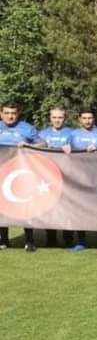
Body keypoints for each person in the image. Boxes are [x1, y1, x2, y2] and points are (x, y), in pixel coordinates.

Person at [64, 109, 97, 251]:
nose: (87, 121)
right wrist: (65, 150)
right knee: (80, 209)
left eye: (90, 118)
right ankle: (81, 241)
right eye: (84, 118)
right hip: (79, 177)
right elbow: (66, 150)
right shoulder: (73, 134)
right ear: (79, 119)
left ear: (93, 119)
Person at [0, 102, 42, 251]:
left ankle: (29, 240)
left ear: (18, 114)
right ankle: (3, 240)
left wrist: (28, 145)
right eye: (6, 113)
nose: (10, 116)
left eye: (13, 113)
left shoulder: (27, 128)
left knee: (25, 206)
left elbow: (44, 144)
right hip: (1, 174)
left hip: (22, 172)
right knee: (2, 206)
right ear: (1, 114)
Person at [38, 107, 73, 248]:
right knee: (50, 206)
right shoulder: (42, 134)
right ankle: (51, 238)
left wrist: (72, 148)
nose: (57, 120)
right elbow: (36, 148)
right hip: (48, 175)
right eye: (54, 117)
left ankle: (68, 238)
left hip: (67, 175)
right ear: (50, 118)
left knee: (67, 206)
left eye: (60, 117)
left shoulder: (72, 133)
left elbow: (79, 148)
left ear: (65, 118)